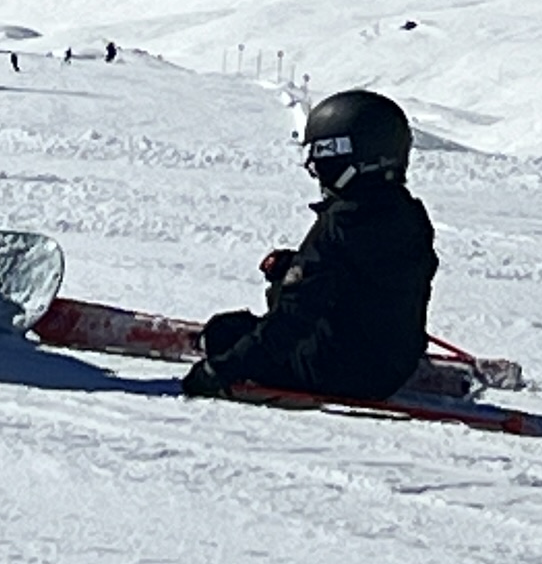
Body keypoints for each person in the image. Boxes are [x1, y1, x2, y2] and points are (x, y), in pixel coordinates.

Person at [184, 87, 438, 401]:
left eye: (322, 160)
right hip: (395, 366)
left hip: (334, 371)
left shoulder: (341, 224)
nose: (317, 172)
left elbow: (292, 319)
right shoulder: (409, 215)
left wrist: (218, 370)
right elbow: (365, 277)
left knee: (224, 332)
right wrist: (295, 267)